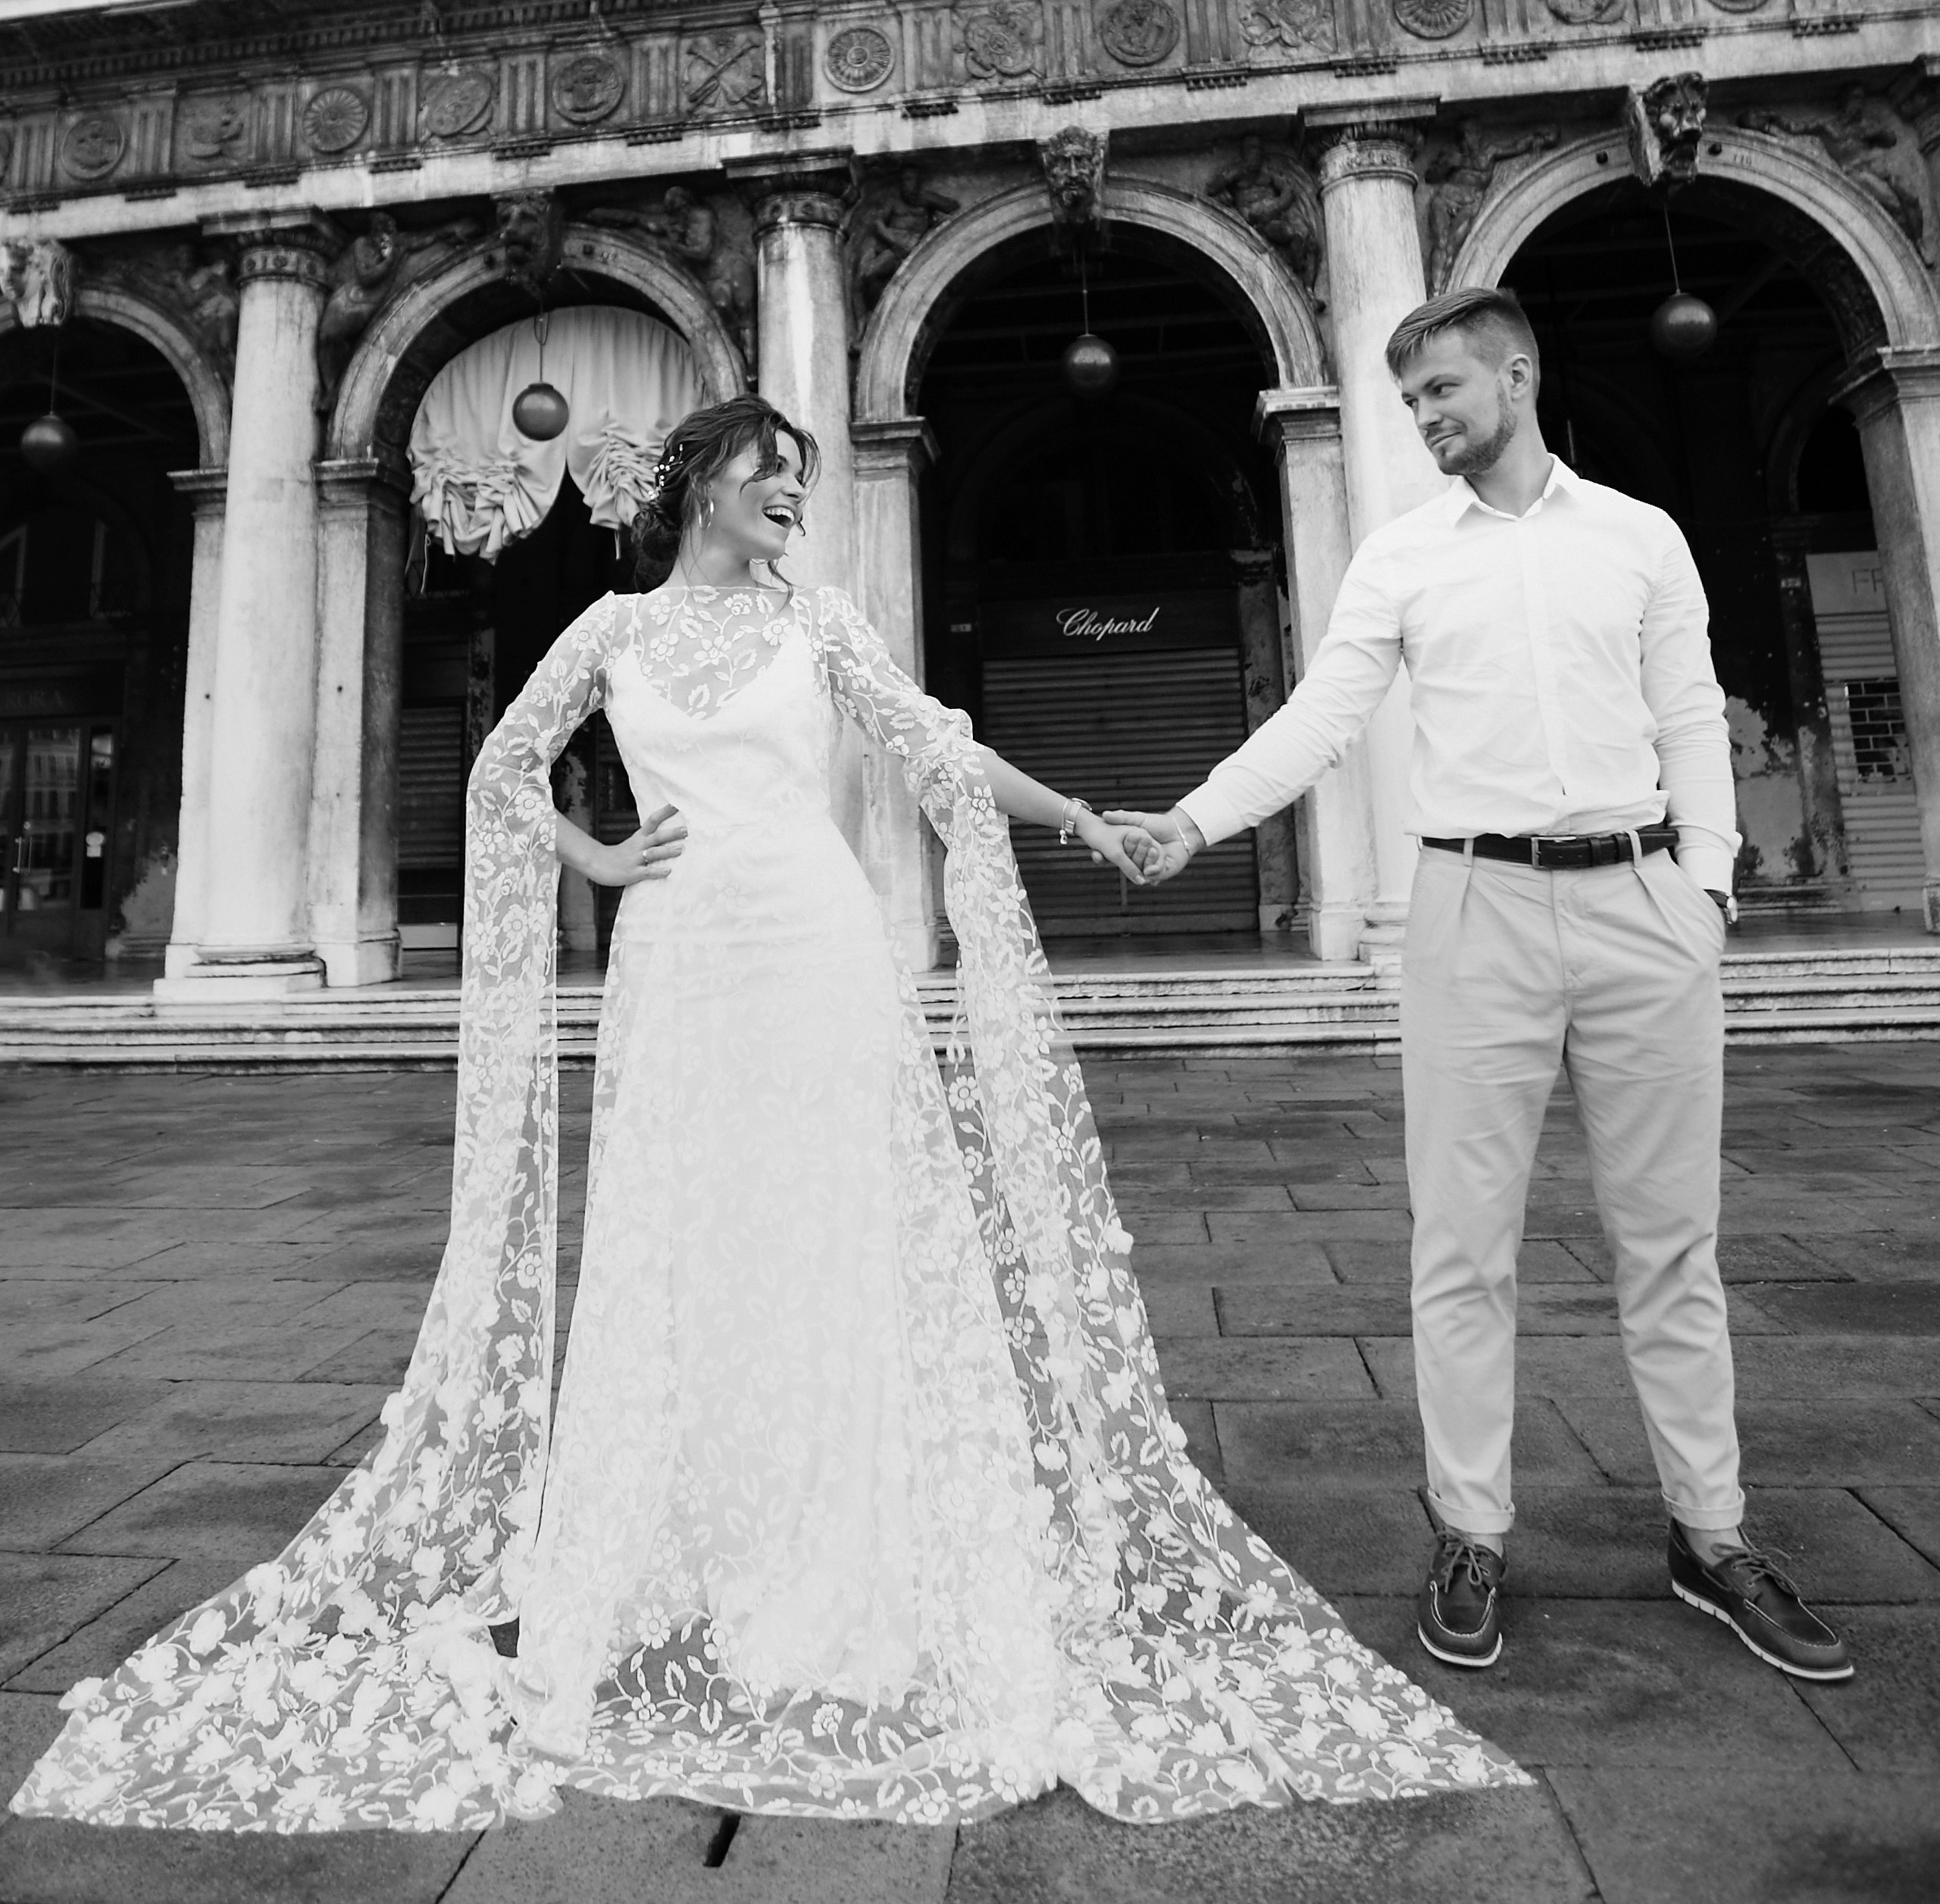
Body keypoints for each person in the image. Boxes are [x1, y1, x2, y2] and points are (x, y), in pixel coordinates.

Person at [16, 394, 1517, 1836]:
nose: (796, 493)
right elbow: (495, 772)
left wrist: (1077, 817)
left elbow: (937, 747)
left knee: (831, 1238)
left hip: (814, 946)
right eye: (770, 471)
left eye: (802, 472)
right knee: (692, 1251)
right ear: (699, 487)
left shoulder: (823, 623)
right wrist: (597, 862)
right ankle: (703, 1554)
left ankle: (845, 1562)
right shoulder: (609, 630)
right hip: (676, 964)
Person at [1112, 289, 1852, 1689]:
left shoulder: (1642, 537)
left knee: (1673, 1247)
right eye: (1411, 404)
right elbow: (1323, 715)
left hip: (1644, 902)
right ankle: (1468, 1531)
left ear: (1516, 375)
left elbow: (1691, 713)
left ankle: (1713, 1535)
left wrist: (1706, 890)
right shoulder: (1398, 561)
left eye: (1445, 391)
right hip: (1470, 907)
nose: (1429, 419)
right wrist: (1195, 821)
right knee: (1461, 1248)